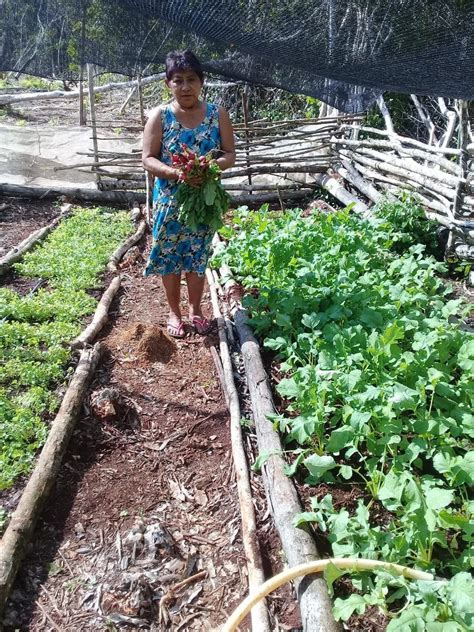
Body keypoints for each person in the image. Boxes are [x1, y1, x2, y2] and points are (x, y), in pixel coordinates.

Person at [142, 50, 236, 338]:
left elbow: (229, 154)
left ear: (201, 82)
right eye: (178, 80)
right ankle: (174, 313)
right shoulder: (160, 116)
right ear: (168, 83)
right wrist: (175, 173)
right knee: (169, 256)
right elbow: (148, 158)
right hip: (170, 200)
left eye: (191, 80)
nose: (185, 87)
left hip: (202, 201)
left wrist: (208, 168)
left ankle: (196, 311)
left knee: (197, 256)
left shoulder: (217, 114)